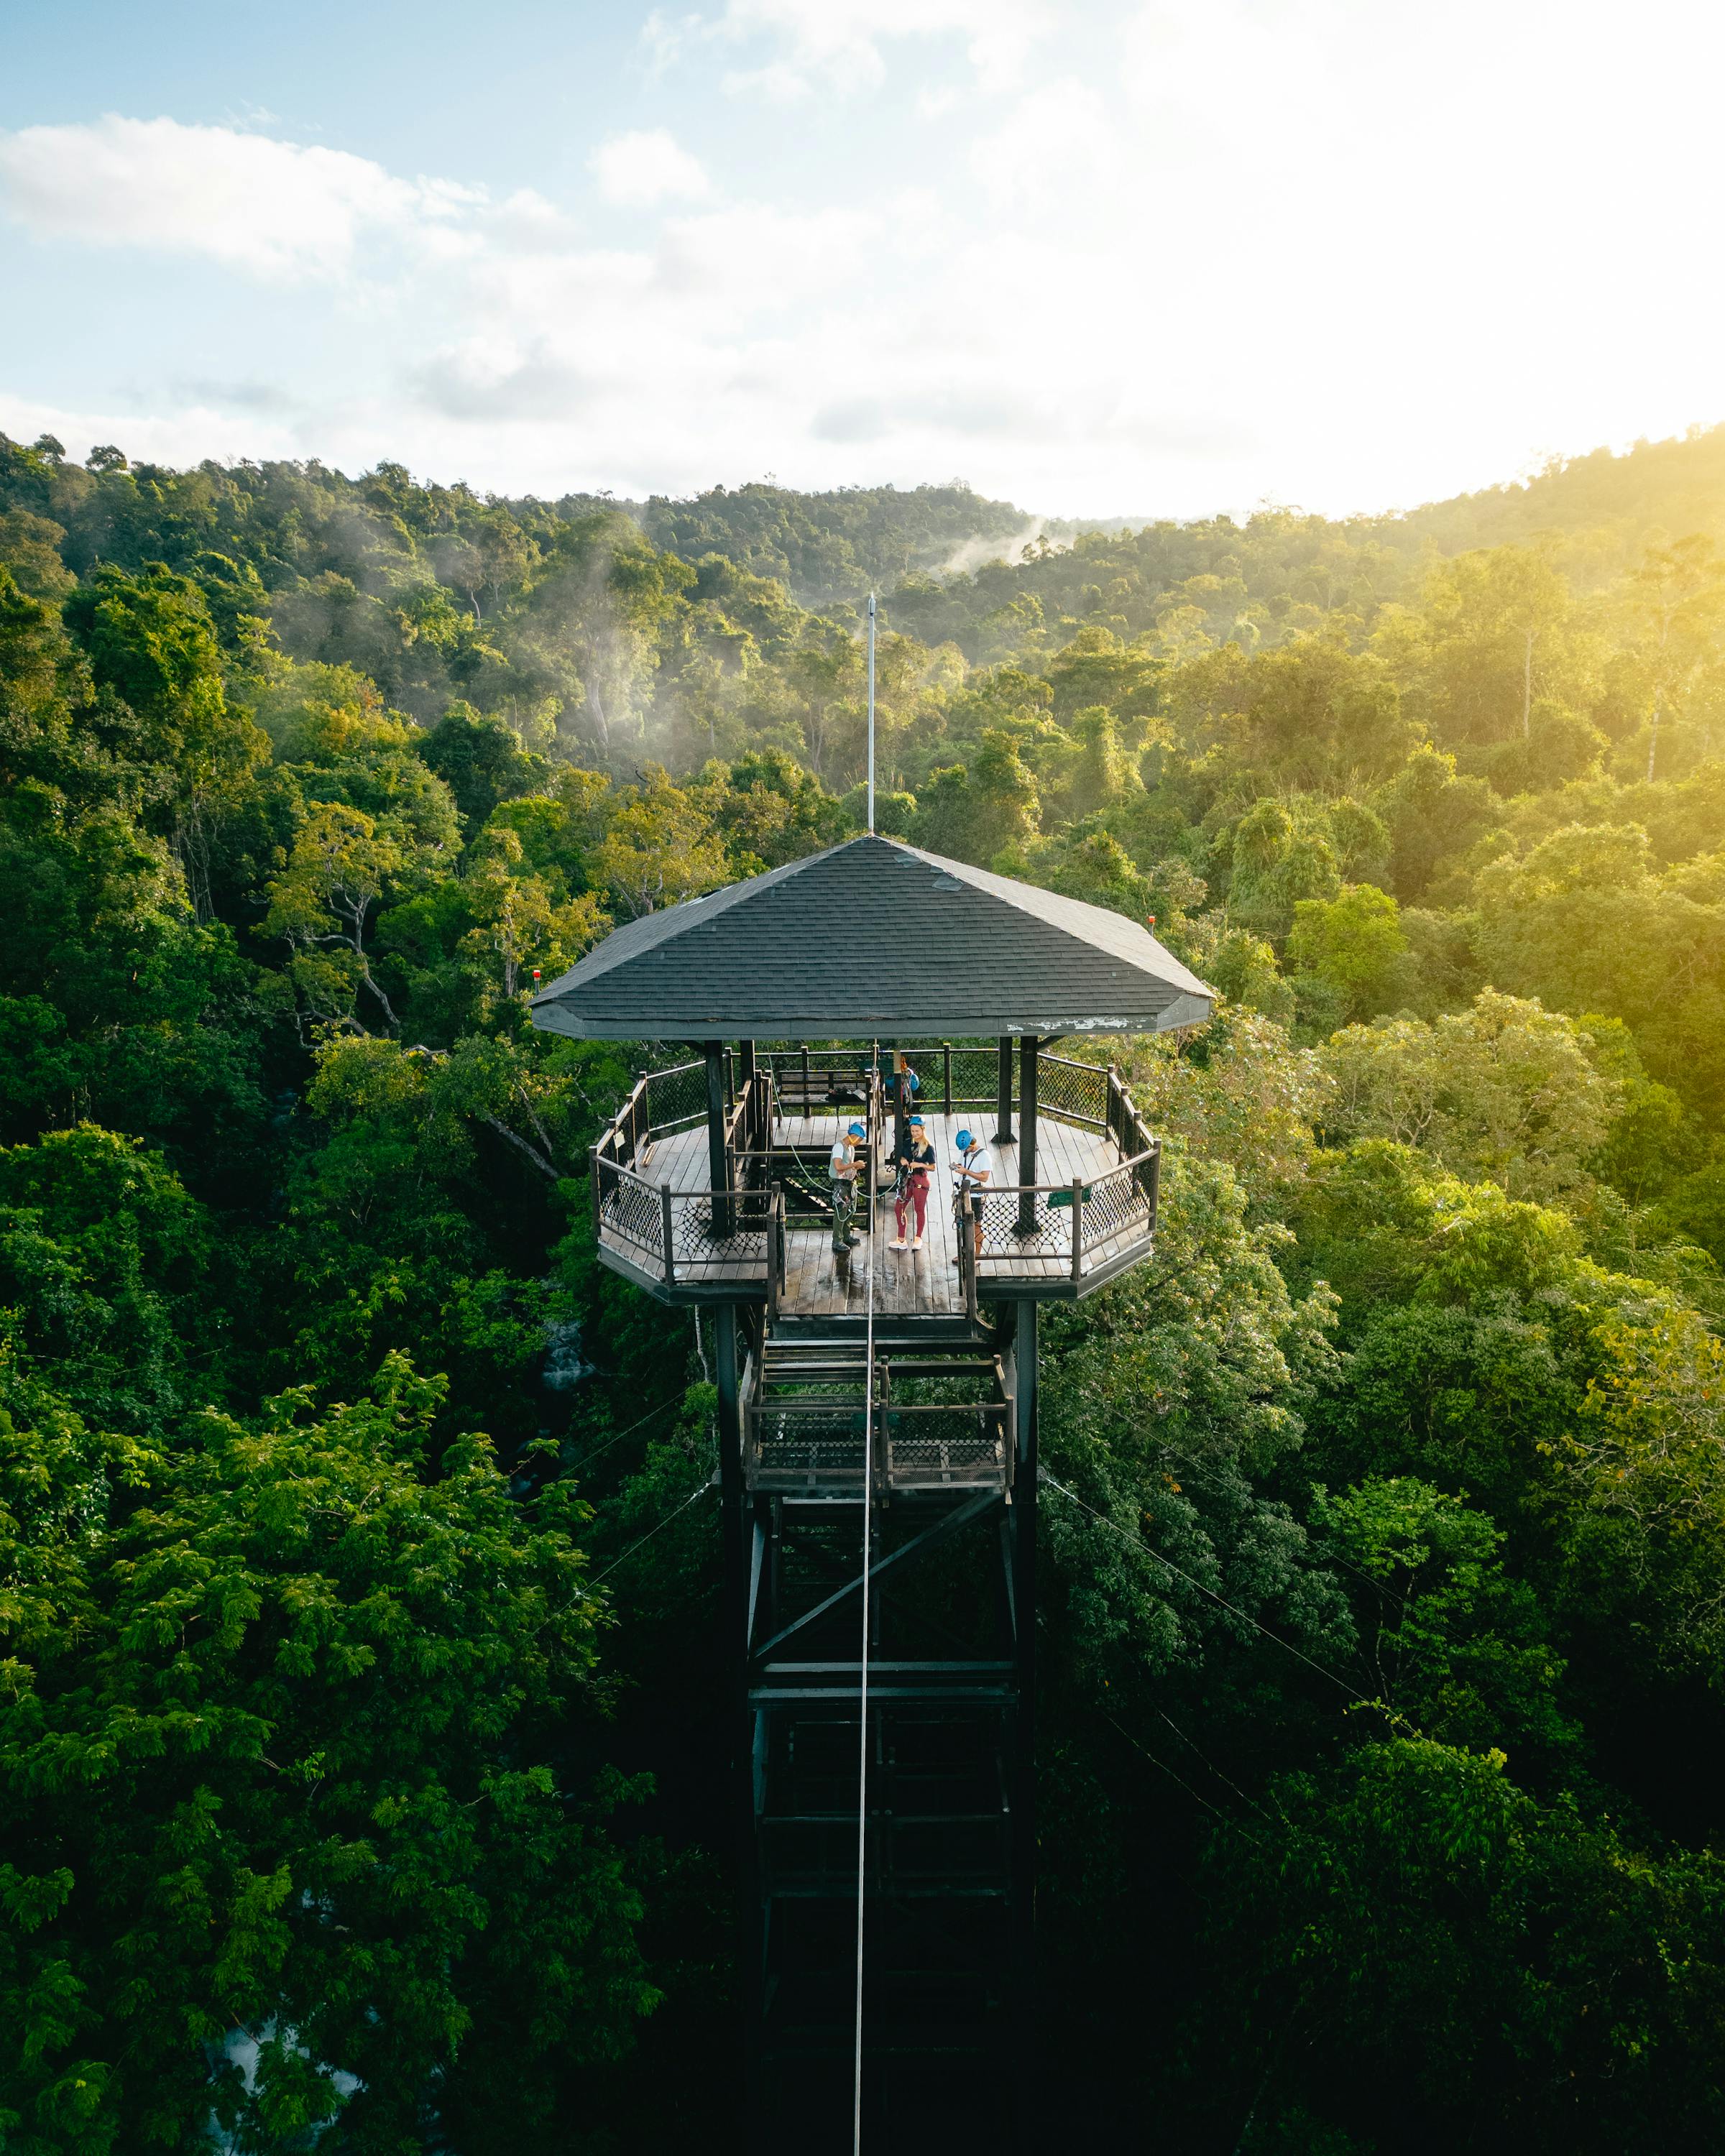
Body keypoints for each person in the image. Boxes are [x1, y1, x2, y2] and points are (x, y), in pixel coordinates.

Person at [888, 1114, 937, 1250]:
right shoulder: (907, 1143)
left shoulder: (928, 1147)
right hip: (907, 1179)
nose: (915, 1134)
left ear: (923, 1130)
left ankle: (918, 1238)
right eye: (913, 1131)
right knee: (899, 1208)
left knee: (919, 1209)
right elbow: (903, 1156)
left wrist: (920, 1165)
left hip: (921, 1178)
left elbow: (933, 1167)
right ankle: (901, 1239)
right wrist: (903, 1160)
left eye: (917, 1131)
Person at [952, 1127, 992, 1258]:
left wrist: (966, 1172)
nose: (964, 1151)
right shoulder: (965, 1153)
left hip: (976, 1196)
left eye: (966, 1149)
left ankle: (977, 1255)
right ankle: (964, 1254)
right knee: (962, 1225)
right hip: (963, 1192)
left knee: (975, 1227)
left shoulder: (984, 1156)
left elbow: (985, 1177)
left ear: (971, 1144)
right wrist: (957, 1167)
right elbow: (963, 1165)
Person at [829, 1120, 865, 1253]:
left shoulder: (851, 1148)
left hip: (849, 1182)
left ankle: (846, 1235)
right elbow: (838, 1167)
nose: (860, 1143)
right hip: (840, 1183)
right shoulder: (839, 1147)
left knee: (850, 1210)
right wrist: (855, 1165)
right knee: (841, 1212)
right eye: (860, 1140)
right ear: (854, 1137)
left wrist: (854, 1168)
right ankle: (837, 1240)